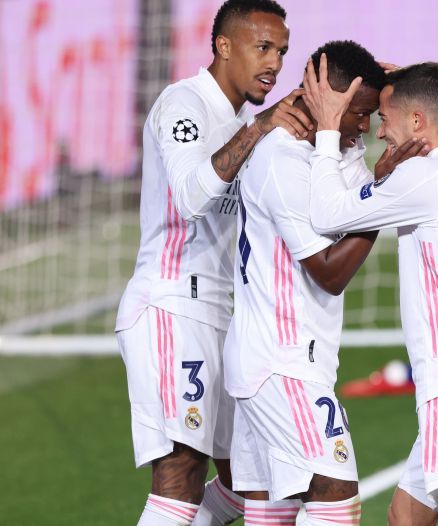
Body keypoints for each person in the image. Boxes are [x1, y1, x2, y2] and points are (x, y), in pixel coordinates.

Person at [114, 1, 314, 524]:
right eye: (263, 47)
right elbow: (190, 197)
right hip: (172, 302)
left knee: (246, 482)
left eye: (282, 52)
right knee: (179, 473)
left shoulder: (247, 121)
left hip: (223, 315)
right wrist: (260, 129)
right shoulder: (184, 104)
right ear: (223, 46)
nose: (273, 63)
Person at [303, 58, 438, 525]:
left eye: (385, 119)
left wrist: (327, 129)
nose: (381, 133)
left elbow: (326, 215)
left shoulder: (426, 177)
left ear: (418, 121)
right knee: (406, 516)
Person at [223, 39, 424, 525]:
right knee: (336, 498)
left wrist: (393, 89)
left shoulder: (336, 151)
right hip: (281, 362)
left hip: (282, 359)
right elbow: (330, 272)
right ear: (325, 101)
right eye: (357, 112)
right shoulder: (282, 161)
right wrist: (384, 196)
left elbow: (352, 191)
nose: (365, 125)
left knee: (271, 513)